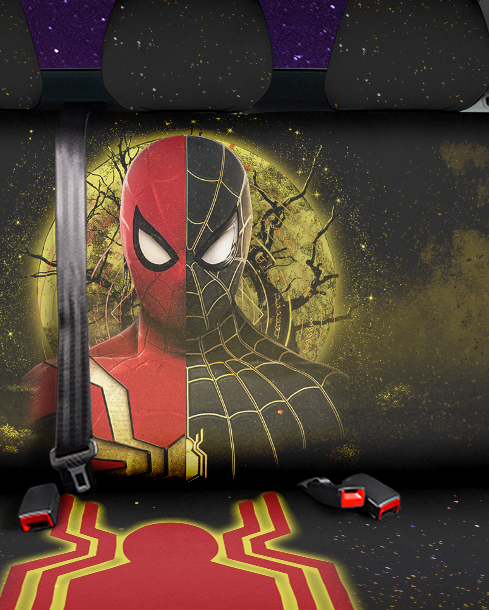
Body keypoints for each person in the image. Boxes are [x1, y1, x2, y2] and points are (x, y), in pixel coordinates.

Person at [24, 135, 344, 481]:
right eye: (156, 248)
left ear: (243, 237)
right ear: (127, 238)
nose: (185, 276)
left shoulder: (321, 392)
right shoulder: (57, 385)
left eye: (215, 247)